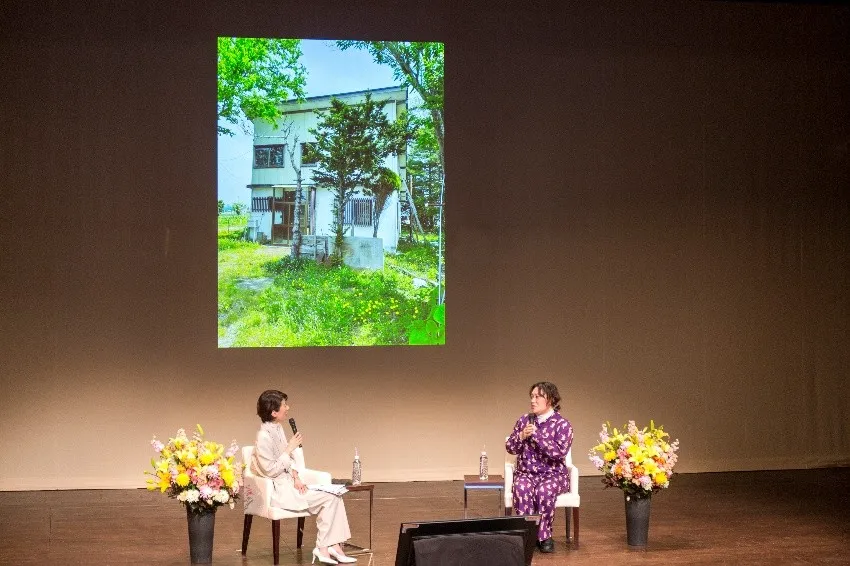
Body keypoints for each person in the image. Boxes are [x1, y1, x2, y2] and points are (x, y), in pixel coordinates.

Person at [252, 389, 356, 565]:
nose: (288, 407)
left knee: (335, 496)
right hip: (281, 492)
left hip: (291, 484)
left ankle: (334, 546)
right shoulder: (263, 436)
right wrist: (289, 448)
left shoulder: (277, 429)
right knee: (329, 499)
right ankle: (324, 547)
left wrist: (296, 476)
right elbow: (270, 470)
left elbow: (288, 464)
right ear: (274, 412)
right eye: (284, 405)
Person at [505, 382, 573, 553]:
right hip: (526, 473)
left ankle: (544, 536)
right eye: (532, 396)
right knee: (521, 488)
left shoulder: (562, 425)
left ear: (550, 399)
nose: (532, 400)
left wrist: (537, 435)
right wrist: (521, 435)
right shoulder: (524, 420)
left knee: (544, 491)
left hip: (553, 475)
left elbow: (558, 453)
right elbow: (511, 448)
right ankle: (526, 536)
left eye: (537, 397)